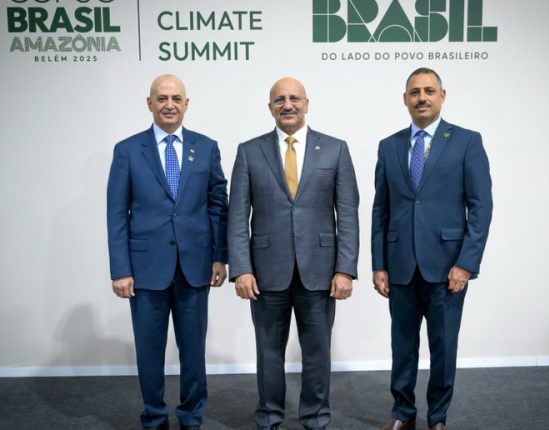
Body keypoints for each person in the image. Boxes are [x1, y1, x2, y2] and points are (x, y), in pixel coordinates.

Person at [228, 77, 359, 430]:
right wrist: (241, 268)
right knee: (268, 352)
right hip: (265, 272)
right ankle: (269, 418)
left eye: (294, 99)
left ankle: (315, 419)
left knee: (317, 353)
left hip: (320, 271)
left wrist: (345, 269)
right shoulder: (249, 151)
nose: (287, 105)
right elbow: (237, 216)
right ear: (270, 107)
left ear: (306, 103)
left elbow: (347, 213)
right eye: (280, 100)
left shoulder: (335, 149)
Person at [372, 68, 493, 430]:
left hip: (447, 268)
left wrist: (466, 263)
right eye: (414, 92)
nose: (421, 97)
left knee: (443, 346)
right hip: (400, 266)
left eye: (428, 90)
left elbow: (480, 208)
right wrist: (379, 264)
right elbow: (381, 210)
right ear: (405, 99)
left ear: (442, 95)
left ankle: (438, 417)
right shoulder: (389, 146)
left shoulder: (467, 142)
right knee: (402, 346)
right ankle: (402, 412)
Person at [106, 74, 228, 430]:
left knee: (193, 351)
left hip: (195, 267)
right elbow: (116, 213)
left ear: (186, 104)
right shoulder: (128, 150)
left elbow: (218, 205)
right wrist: (120, 269)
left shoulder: (206, 147)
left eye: (176, 98)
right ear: (150, 103)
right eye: (162, 98)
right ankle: (154, 418)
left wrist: (220, 256)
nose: (169, 105)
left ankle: (191, 417)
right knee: (149, 352)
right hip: (145, 270)